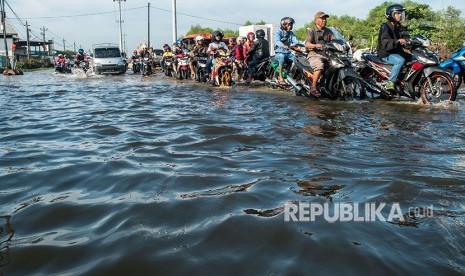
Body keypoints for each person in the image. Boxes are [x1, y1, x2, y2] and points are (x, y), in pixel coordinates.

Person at [376, 4, 411, 91]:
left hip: (396, 51)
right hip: (386, 53)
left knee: (413, 58)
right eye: (397, 13)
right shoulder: (385, 26)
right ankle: (390, 82)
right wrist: (397, 41)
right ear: (391, 15)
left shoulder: (400, 27)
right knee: (400, 61)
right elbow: (385, 41)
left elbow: (406, 36)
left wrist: (411, 41)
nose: (400, 15)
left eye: (401, 13)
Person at [305, 11, 336, 97]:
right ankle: (313, 87)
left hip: (327, 55)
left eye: (325, 19)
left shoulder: (328, 31)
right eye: (322, 18)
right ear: (316, 20)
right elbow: (307, 44)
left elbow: (335, 41)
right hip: (314, 54)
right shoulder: (312, 31)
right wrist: (315, 45)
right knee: (319, 66)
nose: (324, 20)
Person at [274, 17, 299, 85]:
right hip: (279, 53)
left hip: (288, 53)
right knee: (282, 57)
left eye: (291, 25)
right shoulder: (278, 32)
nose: (290, 26)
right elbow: (277, 41)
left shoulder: (291, 33)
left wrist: (304, 45)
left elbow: (296, 41)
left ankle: (294, 76)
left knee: (297, 59)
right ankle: (280, 76)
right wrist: (283, 45)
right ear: (283, 25)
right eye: (289, 24)